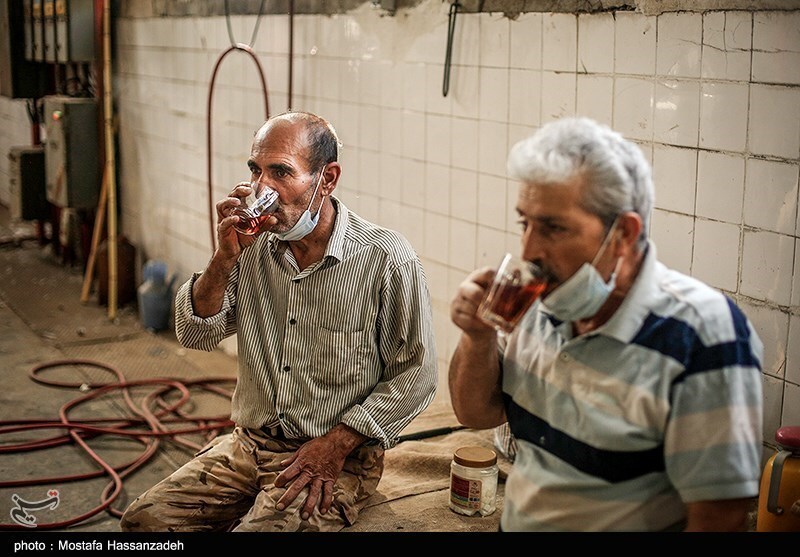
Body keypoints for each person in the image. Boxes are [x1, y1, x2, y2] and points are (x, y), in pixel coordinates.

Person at [120, 110, 437, 532]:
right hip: (248, 445)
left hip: (333, 455)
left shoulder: (385, 259)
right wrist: (223, 258)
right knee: (144, 524)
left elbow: (417, 373)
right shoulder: (250, 246)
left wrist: (337, 444)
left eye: (281, 172)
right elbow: (195, 333)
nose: (262, 188)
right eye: (256, 170)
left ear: (327, 179)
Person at [448, 117, 764, 532]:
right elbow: (476, 413)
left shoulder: (703, 334)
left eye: (553, 228)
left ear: (624, 234)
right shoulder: (536, 304)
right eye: (524, 223)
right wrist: (478, 336)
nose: (529, 250)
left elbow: (718, 518)